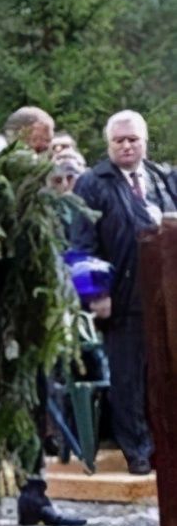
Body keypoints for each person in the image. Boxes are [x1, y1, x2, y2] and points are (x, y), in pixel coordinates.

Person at [72, 110, 177, 475]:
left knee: (166, 376)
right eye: (119, 140)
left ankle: (167, 445)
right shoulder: (92, 183)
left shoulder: (162, 178)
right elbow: (82, 245)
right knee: (129, 378)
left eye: (133, 139)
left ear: (144, 141)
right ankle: (138, 451)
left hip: (167, 295)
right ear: (109, 144)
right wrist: (96, 294)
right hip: (122, 297)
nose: (127, 146)